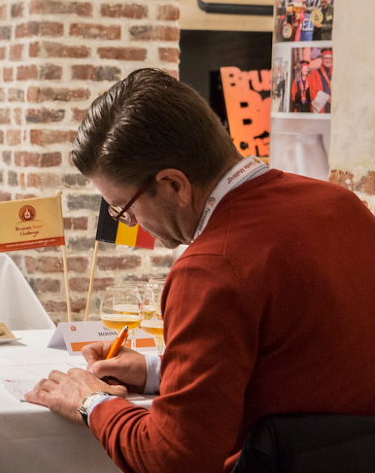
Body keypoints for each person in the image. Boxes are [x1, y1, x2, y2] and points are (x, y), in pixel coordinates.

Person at [25, 68, 375, 473]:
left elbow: (173, 459)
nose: (133, 223)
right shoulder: (341, 204)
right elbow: (301, 365)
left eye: (125, 208)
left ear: (174, 184)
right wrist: (160, 370)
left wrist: (91, 401)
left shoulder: (209, 270)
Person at [308, 48, 333, 113]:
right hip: (322, 109)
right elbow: (313, 92)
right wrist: (327, 98)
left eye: (330, 58)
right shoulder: (315, 73)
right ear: (321, 58)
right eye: (325, 58)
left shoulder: (336, 72)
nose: (328, 60)